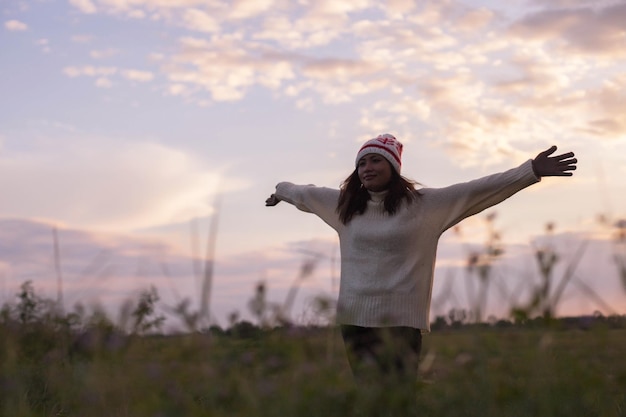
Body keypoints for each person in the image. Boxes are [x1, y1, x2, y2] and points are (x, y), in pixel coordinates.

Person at [265, 134, 577, 406]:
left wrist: (531, 171)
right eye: (362, 163)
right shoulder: (344, 205)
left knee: (399, 400)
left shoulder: (425, 206)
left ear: (393, 167)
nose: (367, 168)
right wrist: (279, 192)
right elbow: (301, 192)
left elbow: (476, 191)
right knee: (370, 400)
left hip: (401, 322)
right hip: (354, 322)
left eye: (375, 161)